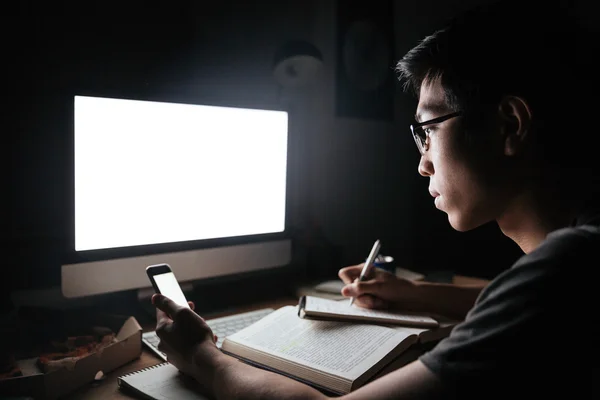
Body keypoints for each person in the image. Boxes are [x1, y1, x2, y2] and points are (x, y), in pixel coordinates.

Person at [152, 0, 599, 398]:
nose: (423, 164)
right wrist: (412, 292)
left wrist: (201, 357)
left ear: (510, 126)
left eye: (428, 131)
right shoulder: (570, 261)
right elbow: (515, 301)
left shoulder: (569, 268)